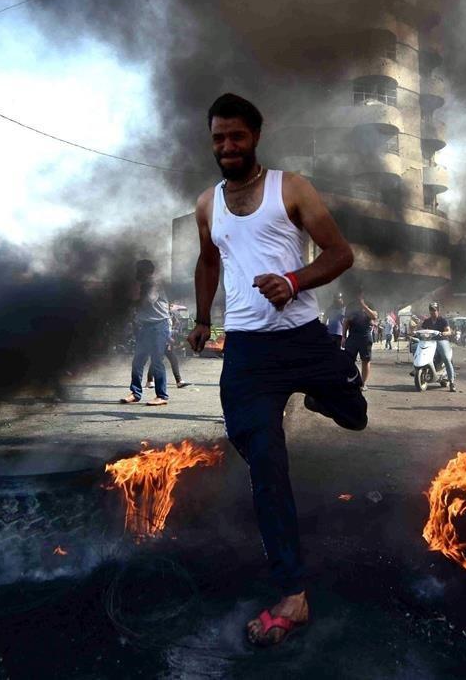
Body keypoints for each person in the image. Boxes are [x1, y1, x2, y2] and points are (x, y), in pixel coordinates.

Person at [186, 93, 366, 648]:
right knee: (265, 461)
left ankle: (320, 393)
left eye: (236, 136)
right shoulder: (206, 204)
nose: (227, 147)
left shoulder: (291, 188)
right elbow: (209, 259)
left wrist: (292, 280)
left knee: (354, 415)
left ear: (255, 136)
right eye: (218, 137)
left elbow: (340, 253)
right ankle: (293, 591)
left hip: (304, 339)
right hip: (248, 352)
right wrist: (200, 319)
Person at [122, 259, 172, 406]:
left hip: (158, 326)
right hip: (144, 326)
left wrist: (128, 300)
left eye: (140, 270)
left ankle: (161, 396)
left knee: (157, 361)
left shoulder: (153, 284)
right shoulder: (142, 284)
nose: (137, 273)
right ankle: (135, 393)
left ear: (147, 271)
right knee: (138, 361)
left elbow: (146, 301)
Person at [147, 305, 191, 389]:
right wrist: (169, 339)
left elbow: (173, 326)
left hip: (166, 340)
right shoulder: (160, 316)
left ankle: (179, 381)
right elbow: (163, 329)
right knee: (157, 361)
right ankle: (150, 381)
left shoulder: (170, 315)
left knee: (172, 360)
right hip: (160, 340)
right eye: (170, 306)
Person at [342, 286, 378, 388]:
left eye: (361, 294)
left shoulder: (369, 304)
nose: (359, 296)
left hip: (365, 336)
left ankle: (362, 383)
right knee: (349, 360)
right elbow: (346, 322)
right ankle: (351, 380)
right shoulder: (350, 306)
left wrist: (364, 306)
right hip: (353, 336)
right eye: (357, 294)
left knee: (365, 360)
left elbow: (374, 316)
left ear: (363, 295)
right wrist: (343, 337)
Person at [420, 302, 457, 392]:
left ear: (438, 311)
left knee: (446, 358)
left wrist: (444, 333)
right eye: (431, 310)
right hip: (430, 342)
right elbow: (421, 330)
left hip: (441, 341)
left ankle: (452, 382)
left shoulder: (443, 320)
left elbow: (449, 331)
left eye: (434, 310)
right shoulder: (427, 321)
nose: (433, 312)